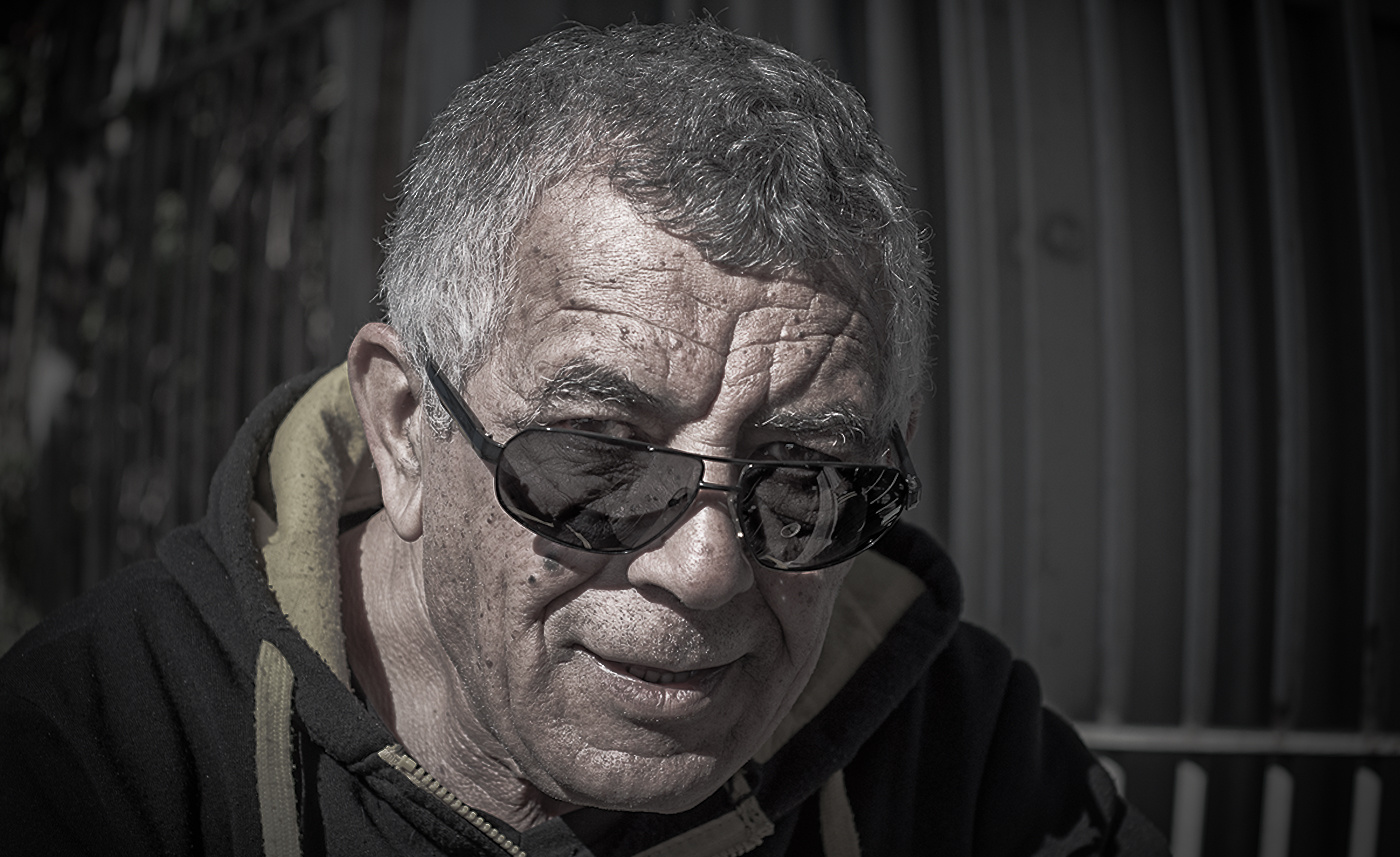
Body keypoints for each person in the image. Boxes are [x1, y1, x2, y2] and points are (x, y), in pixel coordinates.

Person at [0, 19, 1166, 857]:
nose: (703, 568)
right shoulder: (95, 759)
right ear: (404, 428)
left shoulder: (955, 750)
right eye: (598, 456)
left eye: (803, 478)